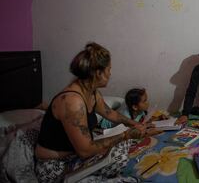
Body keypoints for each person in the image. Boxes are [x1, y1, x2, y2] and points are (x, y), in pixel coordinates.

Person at [35, 42, 160, 182]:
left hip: (75, 154)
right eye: (109, 69)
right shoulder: (72, 102)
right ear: (98, 73)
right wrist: (125, 135)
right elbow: (85, 151)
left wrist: (134, 125)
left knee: (122, 149)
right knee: (119, 155)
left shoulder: (92, 93)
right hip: (55, 165)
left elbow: (110, 114)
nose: (110, 73)